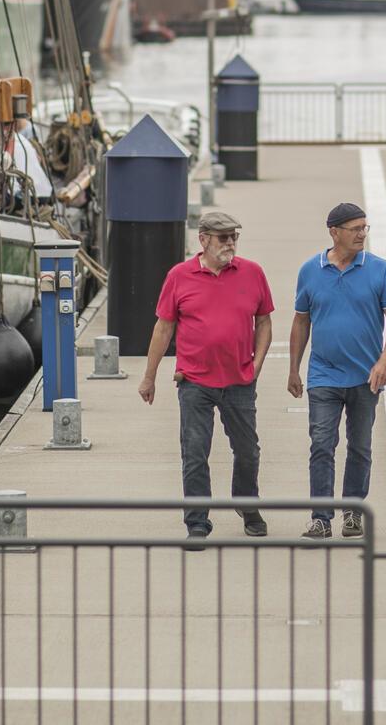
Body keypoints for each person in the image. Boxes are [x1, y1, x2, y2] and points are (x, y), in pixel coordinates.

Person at [140, 209, 273, 545]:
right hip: (195, 381)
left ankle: (246, 503)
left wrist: (256, 365)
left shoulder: (252, 273)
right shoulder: (179, 276)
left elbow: (265, 322)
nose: (230, 243)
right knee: (195, 452)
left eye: (234, 237)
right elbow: (164, 327)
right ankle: (197, 522)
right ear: (203, 240)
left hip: (240, 381)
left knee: (248, 451)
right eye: (223, 238)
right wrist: (149, 376)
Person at [288, 202, 386, 540]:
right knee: (322, 444)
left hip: (366, 377)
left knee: (360, 447)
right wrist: (294, 369)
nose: (362, 235)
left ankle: (353, 511)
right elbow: (300, 321)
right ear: (334, 231)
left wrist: (384, 362)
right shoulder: (310, 270)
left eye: (365, 228)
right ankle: (321, 517)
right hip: (323, 374)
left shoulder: (379, 269)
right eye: (355, 229)